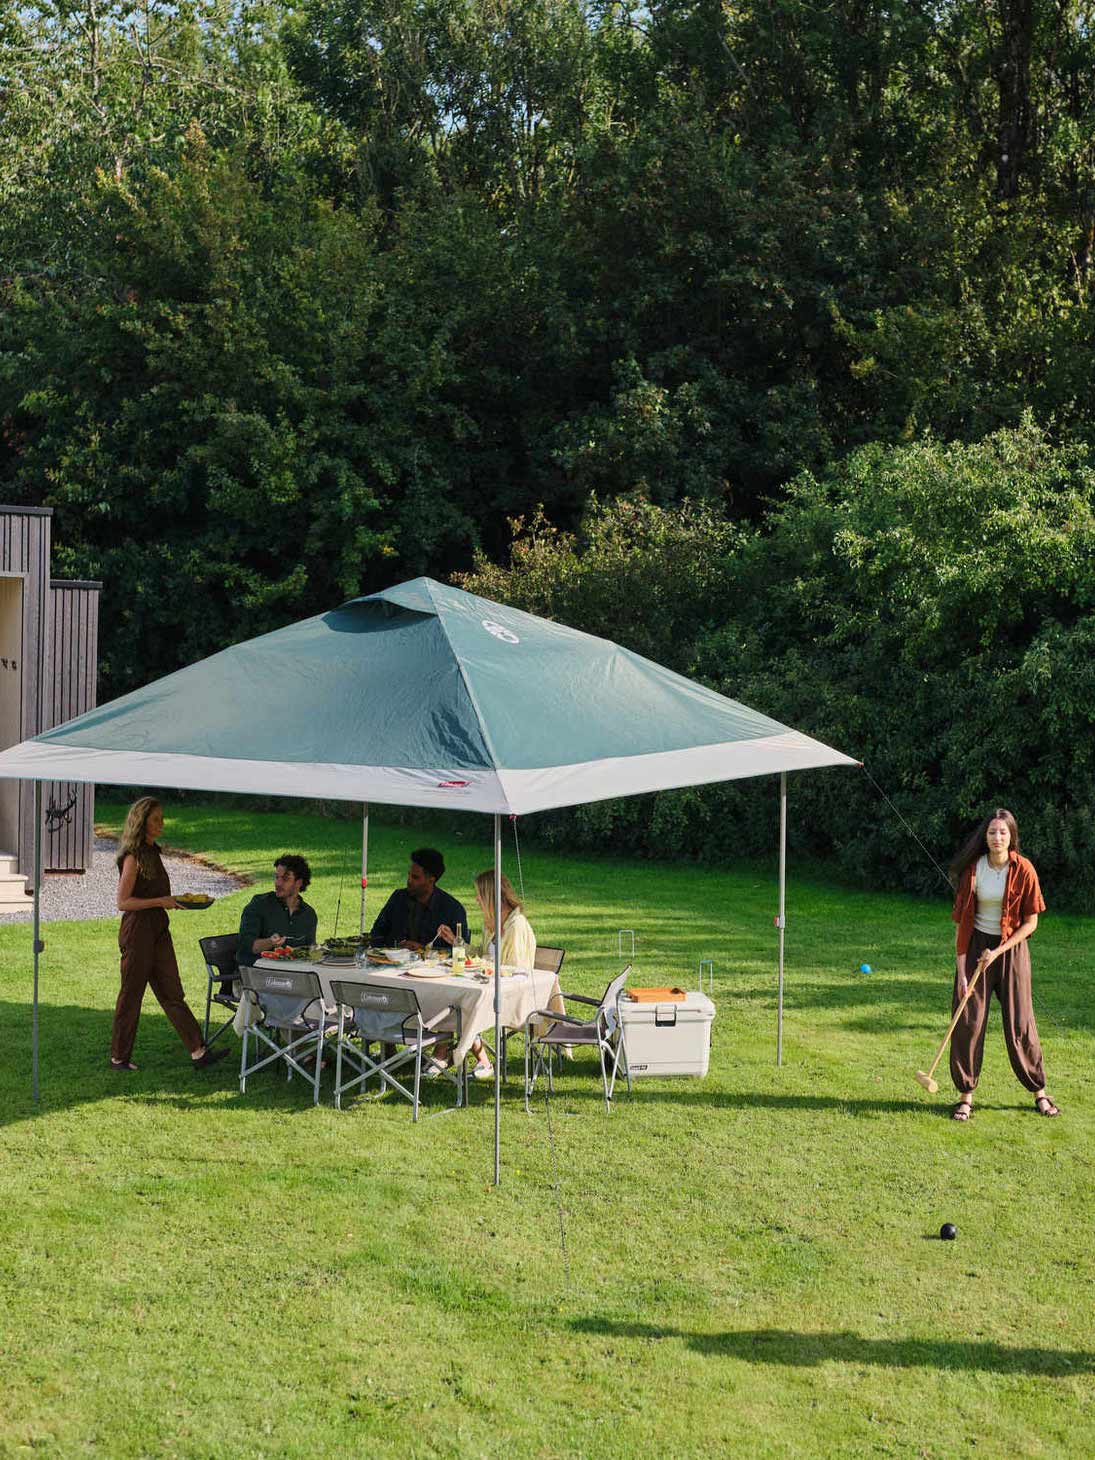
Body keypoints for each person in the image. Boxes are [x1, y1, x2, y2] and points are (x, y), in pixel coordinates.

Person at [948, 807, 1058, 1120]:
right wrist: (962, 972)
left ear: (1012, 836)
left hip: (1011, 951)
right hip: (976, 949)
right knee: (968, 1021)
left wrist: (998, 952)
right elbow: (961, 925)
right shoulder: (973, 870)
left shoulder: (1024, 869)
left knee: (1020, 1022)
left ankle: (1039, 1092)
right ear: (985, 837)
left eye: (1003, 832)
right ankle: (965, 1097)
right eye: (992, 832)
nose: (997, 837)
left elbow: (1031, 922)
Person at [111, 796, 228, 1072]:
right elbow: (123, 902)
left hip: (158, 929)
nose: (161, 824)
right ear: (141, 822)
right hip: (138, 931)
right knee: (131, 995)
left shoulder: (153, 852)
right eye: (156, 819)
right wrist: (160, 901)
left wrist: (173, 900)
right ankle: (119, 1058)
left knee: (172, 991)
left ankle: (198, 1051)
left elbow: (156, 894)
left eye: (162, 819)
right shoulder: (132, 857)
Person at [434, 869, 537, 1081]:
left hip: (512, 995)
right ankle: (460, 1055)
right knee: (453, 999)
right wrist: (455, 941)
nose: (476, 899)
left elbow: (515, 970)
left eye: (479, 894)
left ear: (491, 895)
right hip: (489, 987)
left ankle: (452, 1054)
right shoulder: (491, 923)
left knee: (462, 1005)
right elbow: (482, 955)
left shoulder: (516, 925)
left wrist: (484, 968)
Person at [368, 847, 467, 952]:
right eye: (409, 875)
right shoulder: (398, 898)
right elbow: (376, 935)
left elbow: (461, 951)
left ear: (431, 880)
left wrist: (424, 950)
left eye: (415, 877)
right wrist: (397, 945)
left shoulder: (452, 909)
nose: (409, 881)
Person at [237, 854, 318, 965]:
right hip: (255, 969)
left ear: (299, 882)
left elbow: (310, 950)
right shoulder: (259, 904)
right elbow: (247, 947)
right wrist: (270, 942)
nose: (278, 883)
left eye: (285, 879)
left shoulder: (308, 914)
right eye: (276, 877)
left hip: (294, 971)